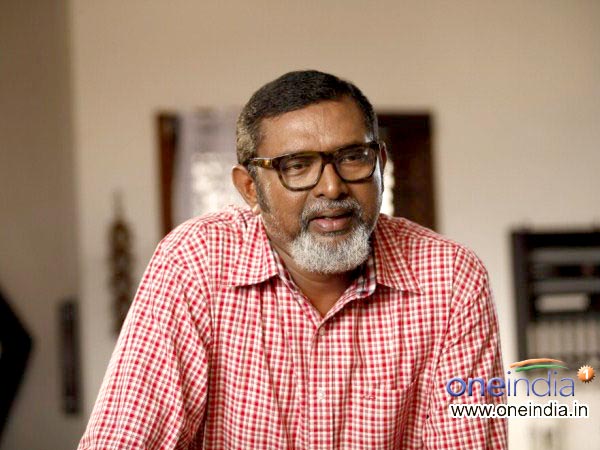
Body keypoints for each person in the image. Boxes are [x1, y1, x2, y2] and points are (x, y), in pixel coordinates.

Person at [78, 70, 507, 449]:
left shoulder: (451, 277)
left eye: (352, 157)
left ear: (380, 164)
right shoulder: (194, 262)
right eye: (297, 166)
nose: (332, 188)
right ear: (250, 189)